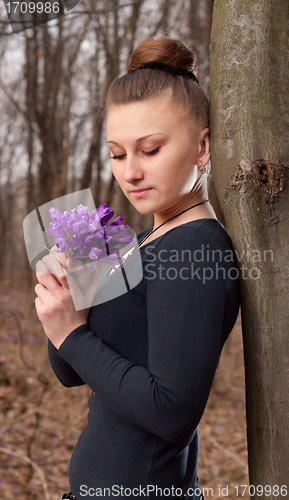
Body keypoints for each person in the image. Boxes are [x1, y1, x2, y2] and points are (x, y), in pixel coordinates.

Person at [35, 37, 241, 500]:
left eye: (149, 150)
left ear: (202, 148)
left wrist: (72, 332)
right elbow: (71, 373)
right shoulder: (149, 240)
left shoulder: (195, 246)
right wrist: (68, 301)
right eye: (117, 153)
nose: (129, 173)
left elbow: (172, 412)